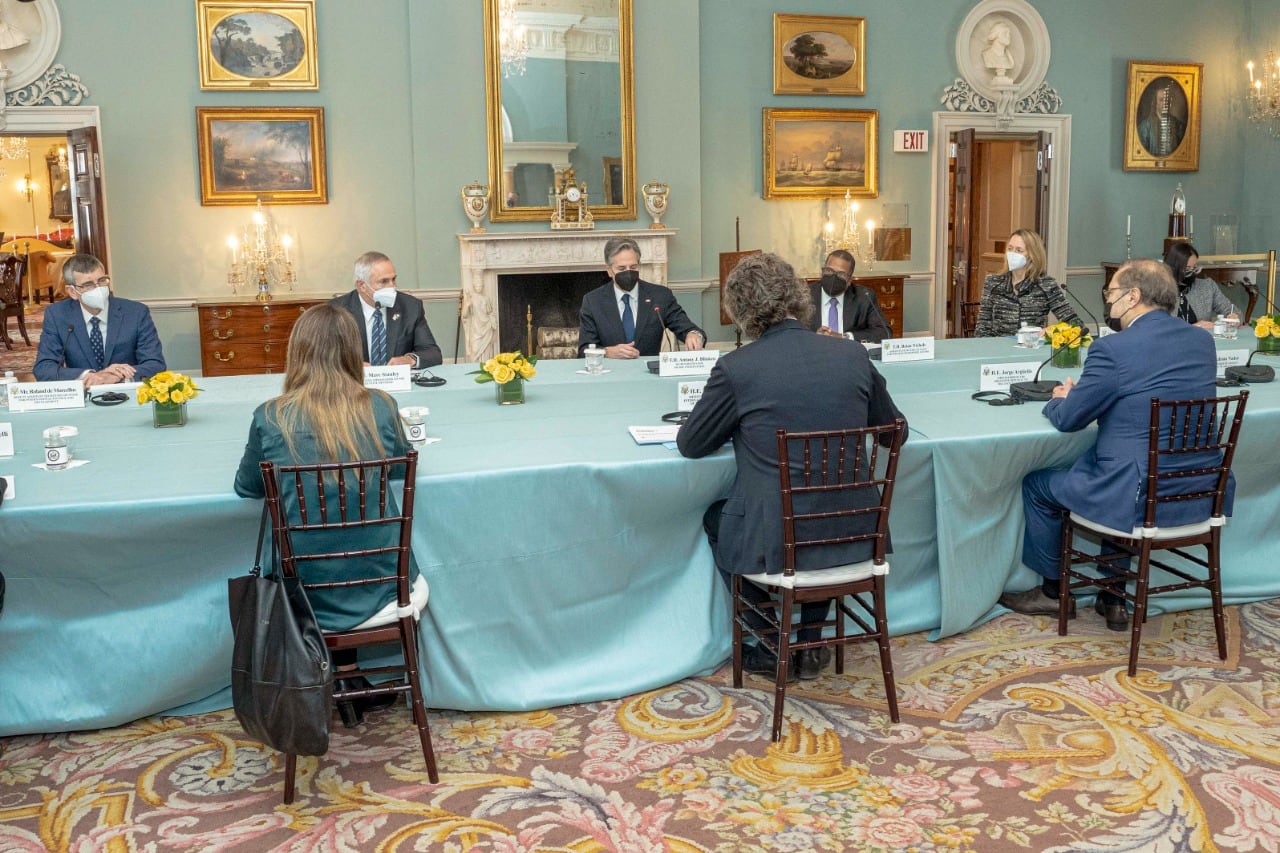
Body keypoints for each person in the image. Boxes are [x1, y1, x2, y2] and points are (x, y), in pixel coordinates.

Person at [678, 252, 906, 681]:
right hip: (857, 532)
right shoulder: (852, 356)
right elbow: (895, 433)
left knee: (717, 517)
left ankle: (772, 638)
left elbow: (691, 444)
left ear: (739, 311)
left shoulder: (736, 368)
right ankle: (811, 641)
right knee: (819, 505)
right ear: (799, 298)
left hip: (780, 543)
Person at [1000, 259, 1223, 632]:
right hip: (1197, 487)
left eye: (1111, 294)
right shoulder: (1202, 341)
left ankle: (1055, 593)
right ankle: (1112, 594)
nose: (1109, 302)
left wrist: (1060, 397)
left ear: (1133, 296)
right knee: (1120, 466)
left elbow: (1071, 419)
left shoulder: (1113, 349)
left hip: (1133, 491)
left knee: (1040, 485)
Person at [234, 303, 416, 727]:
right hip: (379, 580)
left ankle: (335, 676)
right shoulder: (382, 406)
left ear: (297, 352)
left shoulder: (270, 415)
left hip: (301, 587)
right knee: (353, 543)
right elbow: (393, 467)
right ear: (354, 352)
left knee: (325, 548)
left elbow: (247, 487)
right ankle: (350, 676)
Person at [33, 254, 166, 385]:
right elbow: (44, 368)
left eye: (102, 281)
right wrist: (90, 376)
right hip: (85, 397)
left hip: (127, 394)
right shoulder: (58, 314)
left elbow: (155, 364)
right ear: (72, 292)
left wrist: (115, 376)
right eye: (88, 284)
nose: (98, 289)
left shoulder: (136, 312)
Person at [577, 237, 706, 358]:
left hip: (649, 373)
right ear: (609, 270)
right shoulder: (593, 301)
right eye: (621, 268)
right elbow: (584, 350)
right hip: (609, 373)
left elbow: (689, 328)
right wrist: (607, 352)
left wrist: (693, 335)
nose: (628, 272)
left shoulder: (660, 296)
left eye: (633, 267)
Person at [330, 251, 442, 368]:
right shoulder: (336, 310)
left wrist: (409, 359)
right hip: (354, 384)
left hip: (398, 382)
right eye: (383, 281)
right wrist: (351, 366)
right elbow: (321, 358)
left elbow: (432, 353)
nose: (392, 286)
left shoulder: (410, 307)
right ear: (361, 285)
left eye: (393, 279)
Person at [973, 229, 1081, 337]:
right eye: (1010, 249)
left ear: (1032, 255)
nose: (1012, 254)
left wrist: (1051, 331)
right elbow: (982, 329)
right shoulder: (993, 282)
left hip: (1031, 348)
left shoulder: (1046, 285)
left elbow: (1075, 324)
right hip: (998, 349)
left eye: (1019, 250)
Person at [806, 249, 892, 343]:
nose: (833, 277)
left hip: (850, 354)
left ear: (849, 280)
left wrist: (844, 337)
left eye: (841, 274)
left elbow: (884, 333)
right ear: (822, 272)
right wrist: (814, 338)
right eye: (829, 270)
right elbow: (791, 331)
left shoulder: (864, 297)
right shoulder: (805, 295)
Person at [1163, 242, 1238, 329]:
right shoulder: (1160, 291)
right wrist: (1194, 327)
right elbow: (1156, 327)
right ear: (1174, 268)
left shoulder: (1207, 286)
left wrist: (1234, 317)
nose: (1192, 272)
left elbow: (1232, 310)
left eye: (1194, 267)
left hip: (1202, 340)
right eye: (1187, 268)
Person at [1136, 79, 1187, 158]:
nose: (1165, 103)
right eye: (1161, 100)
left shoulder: (1178, 125)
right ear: (1155, 103)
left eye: (1167, 100)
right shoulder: (1145, 126)